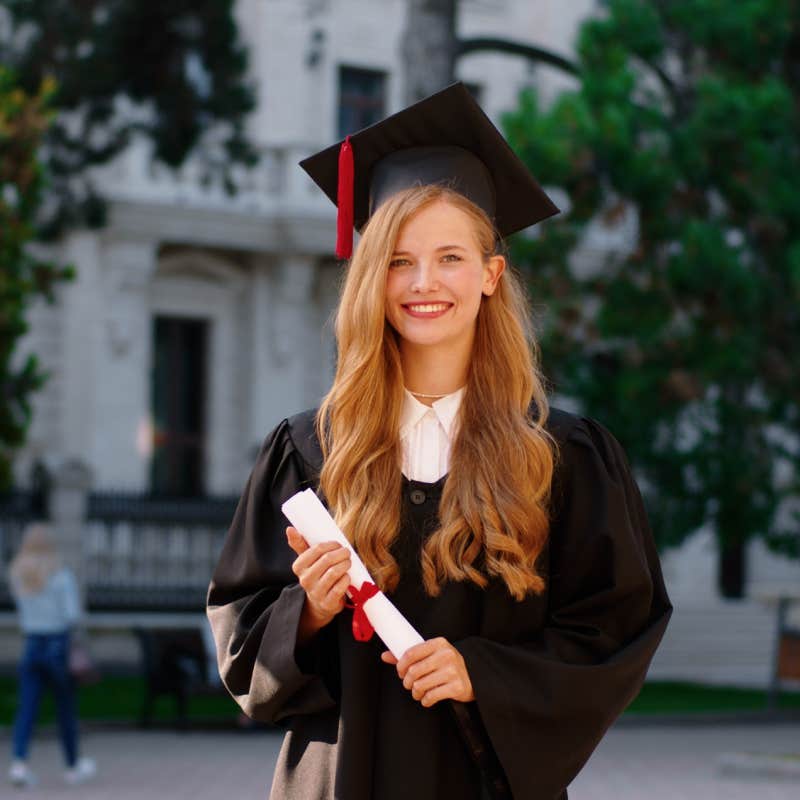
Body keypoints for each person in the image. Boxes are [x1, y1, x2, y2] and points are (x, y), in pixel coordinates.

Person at [206, 82, 672, 800]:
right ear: (371, 277)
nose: (424, 282)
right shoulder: (308, 453)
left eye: (450, 257)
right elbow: (242, 651)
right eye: (398, 259)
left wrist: (482, 673)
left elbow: (615, 631)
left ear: (491, 275)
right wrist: (311, 612)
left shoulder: (563, 458)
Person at [7, 522, 97, 788]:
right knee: (65, 709)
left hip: (32, 644)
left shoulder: (17, 573)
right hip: (58, 646)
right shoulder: (60, 574)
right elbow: (71, 615)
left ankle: (19, 764)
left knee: (27, 709)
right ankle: (72, 766)